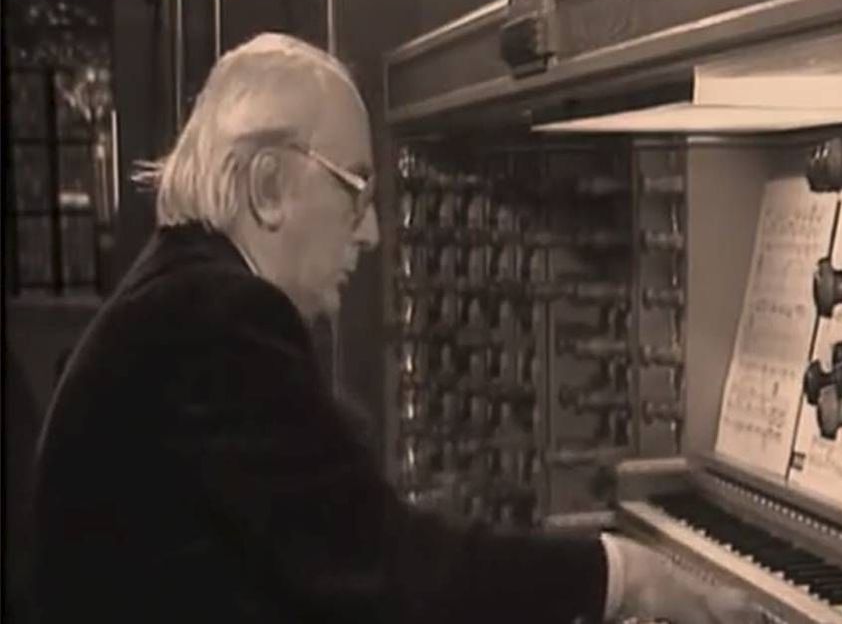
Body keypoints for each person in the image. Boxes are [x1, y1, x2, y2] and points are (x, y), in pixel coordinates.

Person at [33, 33, 760, 624]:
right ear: (267, 188)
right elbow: (377, 567)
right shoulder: (215, 318)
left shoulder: (180, 295)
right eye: (355, 189)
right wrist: (624, 574)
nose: (374, 231)